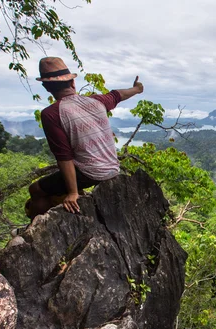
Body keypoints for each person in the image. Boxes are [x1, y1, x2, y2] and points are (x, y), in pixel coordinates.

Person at [27, 57, 144, 219]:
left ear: (46, 87)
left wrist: (73, 192)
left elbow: (64, 157)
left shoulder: (51, 114)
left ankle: (34, 228)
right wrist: (137, 89)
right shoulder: (96, 101)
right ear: (72, 83)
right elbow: (118, 95)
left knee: (35, 190)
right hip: (113, 168)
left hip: (90, 172)